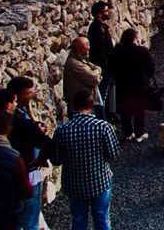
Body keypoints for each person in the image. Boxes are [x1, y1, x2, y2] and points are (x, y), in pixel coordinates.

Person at [51, 90, 120, 230]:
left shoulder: (62, 130)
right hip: (99, 180)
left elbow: (56, 160)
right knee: (102, 218)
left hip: (74, 184)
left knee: (78, 220)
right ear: (92, 105)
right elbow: (113, 154)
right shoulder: (103, 127)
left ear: (74, 106)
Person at [7, 76, 52, 230]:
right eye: (29, 93)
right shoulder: (18, 120)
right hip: (27, 168)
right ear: (16, 95)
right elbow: (46, 143)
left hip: (25, 168)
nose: (33, 95)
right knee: (29, 212)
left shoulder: (22, 112)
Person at [108, 28, 154, 142]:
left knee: (125, 109)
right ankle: (139, 133)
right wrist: (146, 78)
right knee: (139, 109)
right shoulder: (142, 51)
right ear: (134, 38)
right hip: (139, 84)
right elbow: (151, 67)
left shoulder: (117, 50)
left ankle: (127, 133)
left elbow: (112, 66)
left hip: (123, 84)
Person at [87, 1, 115, 120]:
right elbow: (102, 50)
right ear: (99, 14)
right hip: (103, 67)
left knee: (103, 95)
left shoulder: (98, 27)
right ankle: (102, 121)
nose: (109, 12)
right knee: (101, 97)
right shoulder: (98, 29)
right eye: (106, 11)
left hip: (103, 65)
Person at [63, 37, 102, 114]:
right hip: (80, 107)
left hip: (85, 105)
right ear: (82, 48)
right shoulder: (75, 64)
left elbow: (95, 68)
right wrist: (98, 71)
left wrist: (97, 70)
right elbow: (93, 78)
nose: (89, 47)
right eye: (87, 45)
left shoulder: (81, 61)